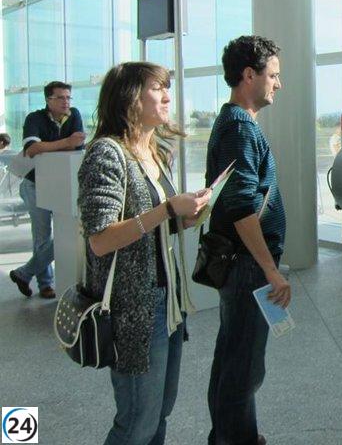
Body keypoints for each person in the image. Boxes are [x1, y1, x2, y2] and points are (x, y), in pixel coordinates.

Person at [78, 62, 210, 445]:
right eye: (158, 88)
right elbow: (100, 239)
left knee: (159, 414)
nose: (168, 97)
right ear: (130, 98)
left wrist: (185, 217)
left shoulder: (154, 152)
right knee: (137, 422)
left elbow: (153, 226)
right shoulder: (107, 154)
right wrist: (167, 210)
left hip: (167, 301)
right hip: (135, 306)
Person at [206, 35, 290, 445]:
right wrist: (271, 270)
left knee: (232, 358)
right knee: (243, 368)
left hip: (243, 265)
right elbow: (242, 208)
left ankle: (230, 435)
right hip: (247, 266)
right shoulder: (239, 127)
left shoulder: (236, 123)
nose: (278, 84)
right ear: (249, 75)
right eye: (273, 75)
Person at [9, 81, 85, 299]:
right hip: (35, 185)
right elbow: (32, 149)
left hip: (63, 185)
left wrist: (53, 145)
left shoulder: (74, 114)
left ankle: (24, 273)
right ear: (48, 100)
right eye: (60, 97)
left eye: (68, 97)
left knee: (67, 231)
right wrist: (67, 142)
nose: (66, 102)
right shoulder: (34, 118)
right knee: (42, 236)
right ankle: (45, 284)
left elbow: (77, 146)